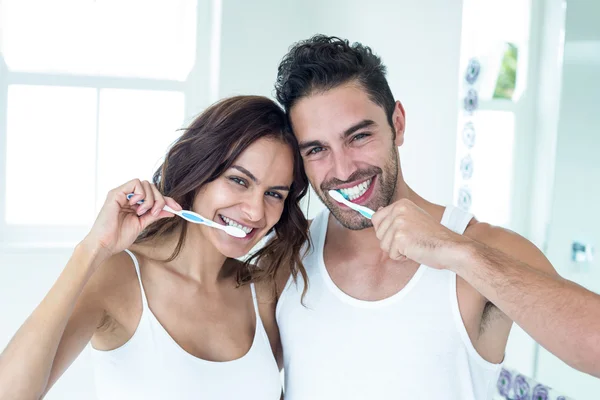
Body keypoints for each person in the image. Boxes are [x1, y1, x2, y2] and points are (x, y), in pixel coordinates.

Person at [273, 35, 600, 399]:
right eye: (317, 149)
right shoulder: (288, 258)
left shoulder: (483, 247)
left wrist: (455, 250)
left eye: (359, 136)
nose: (343, 169)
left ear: (397, 123)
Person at [0, 96, 309, 400]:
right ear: (199, 171)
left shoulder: (264, 291)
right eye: (239, 181)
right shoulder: (117, 277)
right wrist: (94, 248)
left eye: (274, 194)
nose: (255, 212)